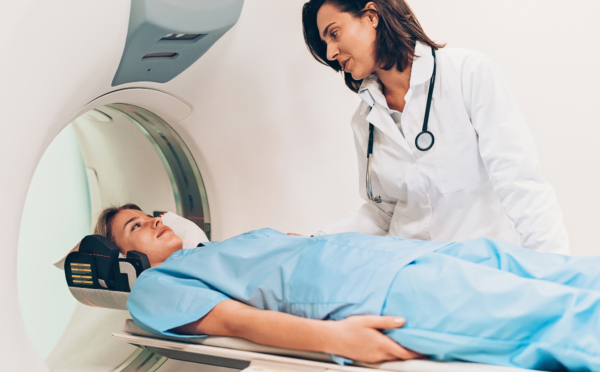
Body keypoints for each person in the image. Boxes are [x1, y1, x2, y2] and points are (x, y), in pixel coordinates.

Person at [99, 204, 600, 371]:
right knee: (560, 317)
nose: (155, 222)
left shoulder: (216, 249)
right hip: (374, 294)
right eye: (136, 228)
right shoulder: (155, 287)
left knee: (574, 273)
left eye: (150, 215)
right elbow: (234, 323)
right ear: (127, 258)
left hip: (399, 254)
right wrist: (337, 341)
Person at [301, 0, 569, 254]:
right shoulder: (364, 119)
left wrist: (553, 269)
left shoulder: (468, 74)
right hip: (413, 273)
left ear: (371, 16)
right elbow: (383, 213)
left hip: (483, 268)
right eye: (325, 43)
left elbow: (518, 180)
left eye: (334, 33)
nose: (330, 52)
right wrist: (316, 241)